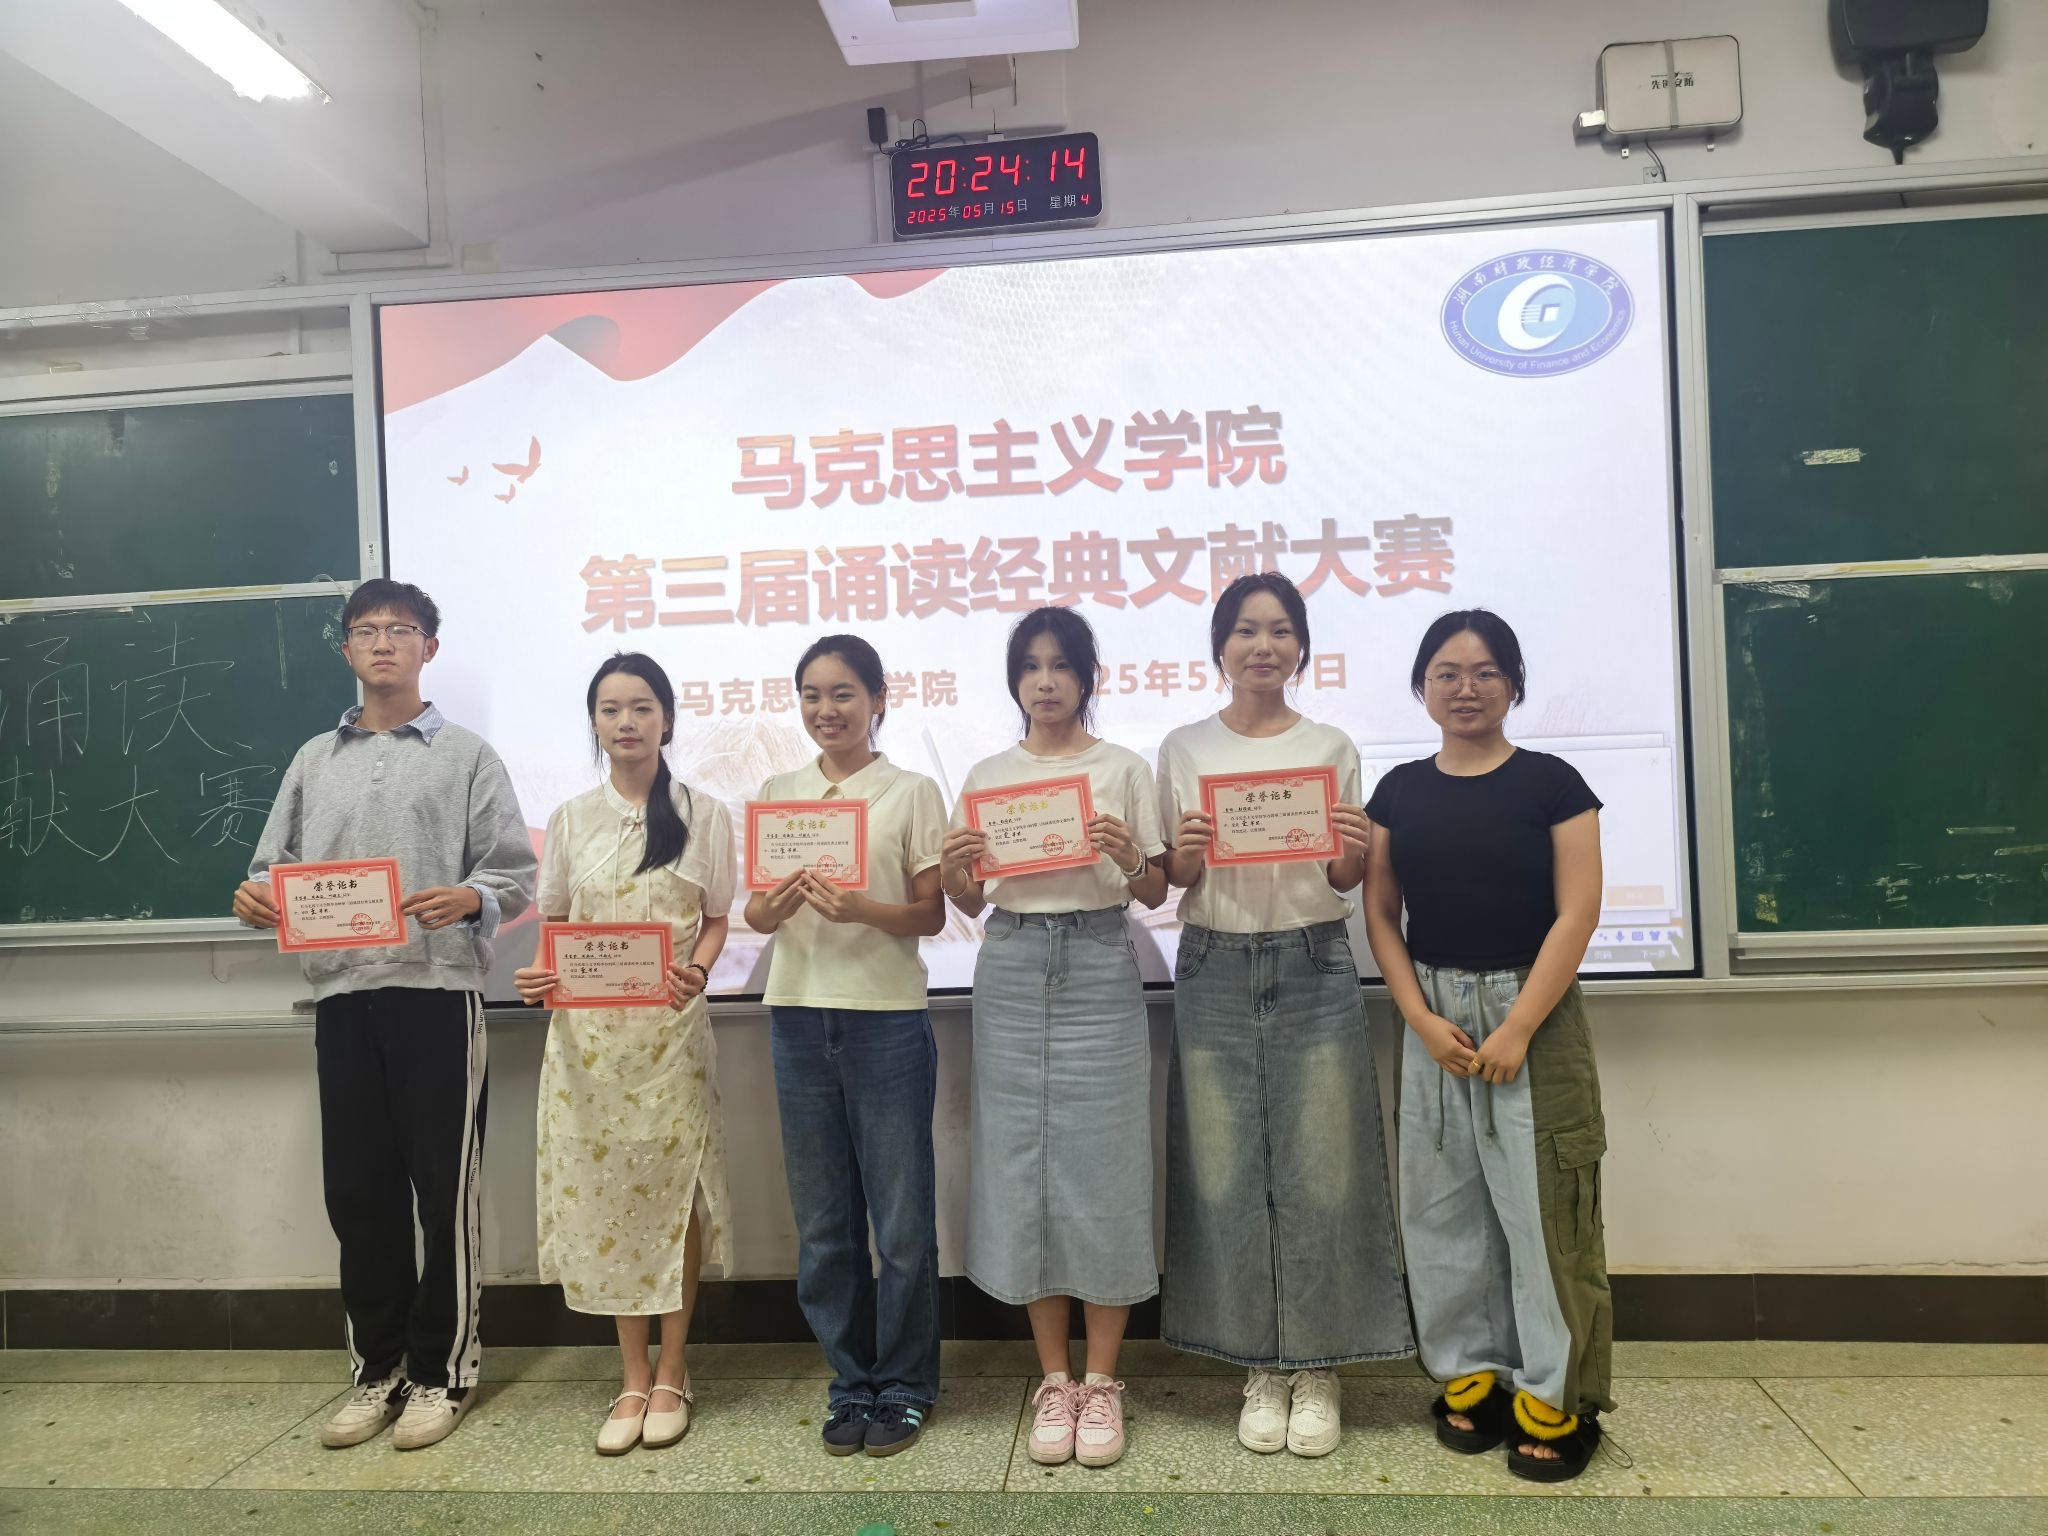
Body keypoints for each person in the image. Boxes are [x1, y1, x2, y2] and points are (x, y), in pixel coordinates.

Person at [233, 578, 536, 1451]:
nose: (382, 643)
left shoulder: (468, 755)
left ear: (428, 648)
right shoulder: (312, 759)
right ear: (346, 649)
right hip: (342, 996)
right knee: (358, 1194)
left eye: (400, 629)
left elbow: (513, 873)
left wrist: (471, 897)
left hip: (437, 995)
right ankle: (380, 1368)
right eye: (365, 630)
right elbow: (268, 870)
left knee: (443, 1193)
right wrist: (254, 897)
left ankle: (444, 1372)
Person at [1156, 572, 1412, 1458]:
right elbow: (1175, 879)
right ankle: (1259, 1367)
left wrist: (1352, 851)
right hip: (1215, 963)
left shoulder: (1329, 745)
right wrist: (1185, 854)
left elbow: (1342, 879)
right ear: (1219, 648)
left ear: (1300, 647)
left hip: (1312, 959)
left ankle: (1319, 1367)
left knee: (1325, 1168)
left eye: (1279, 630)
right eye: (1244, 630)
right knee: (1224, 1172)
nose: (1262, 646)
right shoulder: (1183, 747)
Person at [1361, 608, 1612, 1483]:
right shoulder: (1397, 791)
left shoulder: (1554, 783)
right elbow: (1380, 915)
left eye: (1485, 672)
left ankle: (1556, 1394)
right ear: (1422, 687)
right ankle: (1471, 1373)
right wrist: (1419, 1017)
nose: (1465, 689)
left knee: (1543, 1213)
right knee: (1443, 1207)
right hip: (1434, 1014)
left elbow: (1579, 912)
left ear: (1513, 684)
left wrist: (1519, 1026)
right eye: (1446, 673)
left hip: (1529, 1013)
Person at [940, 607, 1167, 1470]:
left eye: (1061, 665)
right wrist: (957, 873)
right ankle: (1054, 1379)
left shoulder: (1123, 768)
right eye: (1030, 666)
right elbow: (969, 898)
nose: (1045, 681)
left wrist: (1129, 856)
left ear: (1086, 678)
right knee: (1024, 1164)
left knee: (1107, 1163)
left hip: (1100, 960)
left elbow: (1154, 891)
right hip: (1011, 964)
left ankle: (1103, 1380)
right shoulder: (989, 776)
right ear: (1015, 681)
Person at [513, 653, 735, 1455]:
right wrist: (539, 976)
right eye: (610, 710)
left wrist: (698, 971)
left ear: (667, 719)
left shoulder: (706, 814)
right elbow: (557, 928)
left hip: (671, 1036)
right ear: (595, 724)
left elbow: (717, 918)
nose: (627, 722)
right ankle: (632, 1375)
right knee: (607, 1201)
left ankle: (674, 1370)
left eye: (642, 707)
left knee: (675, 1198)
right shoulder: (572, 818)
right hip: (588, 1046)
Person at [745, 634, 947, 1458]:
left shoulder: (911, 791)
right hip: (797, 1016)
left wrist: (862, 908)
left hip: (885, 1018)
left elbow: (932, 912)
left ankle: (904, 1385)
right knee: (825, 1226)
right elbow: (756, 913)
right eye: (811, 695)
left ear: (877, 701)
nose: (826, 710)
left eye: (843, 694)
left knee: (901, 1225)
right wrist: (775, 904)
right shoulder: (779, 793)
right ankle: (849, 1382)